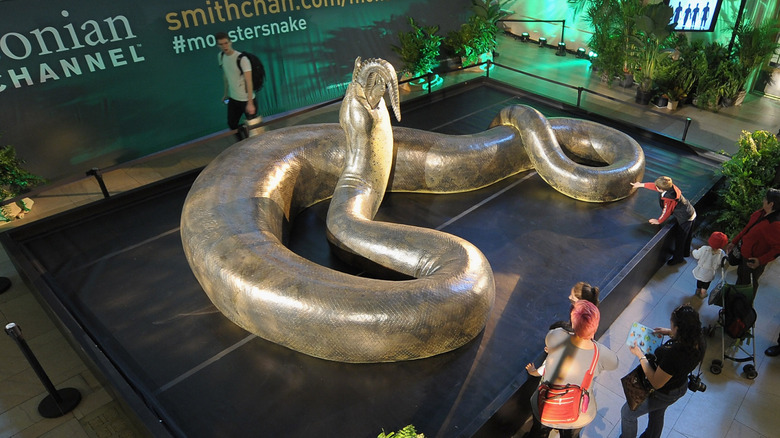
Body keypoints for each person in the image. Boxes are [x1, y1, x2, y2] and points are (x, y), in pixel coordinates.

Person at [526, 301, 618, 438]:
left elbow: (549, 340)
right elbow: (615, 363)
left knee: (538, 432)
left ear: (572, 322)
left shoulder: (556, 335)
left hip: (544, 406)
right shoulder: (600, 353)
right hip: (577, 414)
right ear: (595, 326)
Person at [620, 304, 705, 438]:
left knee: (627, 413)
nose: (670, 327)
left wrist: (640, 355)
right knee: (657, 413)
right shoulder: (699, 340)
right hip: (679, 386)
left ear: (678, 328)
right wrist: (670, 332)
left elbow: (656, 382)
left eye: (672, 326)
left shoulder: (674, 355)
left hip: (663, 393)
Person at [724, 188, 780, 357]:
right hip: (744, 254)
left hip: (753, 261)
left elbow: (777, 248)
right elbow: (748, 229)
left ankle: (742, 314)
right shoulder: (760, 213)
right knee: (741, 281)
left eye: (765, 199)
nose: (762, 200)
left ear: (771, 204)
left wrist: (761, 260)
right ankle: (734, 307)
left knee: (748, 285)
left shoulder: (776, 224)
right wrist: (734, 242)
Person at [631, 176, 697, 265]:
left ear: (661, 189)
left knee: (681, 239)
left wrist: (658, 221)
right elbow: (655, 186)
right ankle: (686, 252)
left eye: (657, 187)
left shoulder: (669, 198)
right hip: (690, 212)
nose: (655, 187)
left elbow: (666, 211)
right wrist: (641, 185)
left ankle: (678, 258)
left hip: (685, 217)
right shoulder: (669, 187)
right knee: (687, 236)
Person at [216, 32, 257, 142]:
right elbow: (226, 76)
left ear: (230, 42)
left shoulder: (242, 59)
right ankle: (242, 143)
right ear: (217, 45)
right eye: (221, 44)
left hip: (246, 99)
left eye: (226, 43)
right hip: (233, 98)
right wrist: (225, 94)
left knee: (254, 129)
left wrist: (250, 103)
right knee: (232, 123)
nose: (224, 46)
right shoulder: (221, 56)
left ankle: (253, 147)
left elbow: (249, 81)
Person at [691, 231, 727, 298]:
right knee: (707, 283)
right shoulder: (722, 253)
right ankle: (703, 293)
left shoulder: (704, 249)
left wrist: (695, 251)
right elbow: (723, 262)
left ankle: (698, 290)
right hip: (710, 272)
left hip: (701, 270)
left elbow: (696, 255)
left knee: (699, 280)